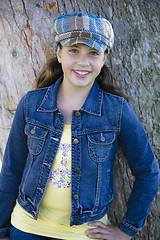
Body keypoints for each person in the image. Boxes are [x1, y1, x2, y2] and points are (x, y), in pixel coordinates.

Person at [0, 11, 159, 240]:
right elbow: (12, 170)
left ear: (104, 59)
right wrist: (3, 229)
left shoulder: (117, 111)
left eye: (93, 53)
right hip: (27, 227)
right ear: (59, 53)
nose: (83, 61)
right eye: (74, 50)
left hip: (84, 233)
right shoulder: (32, 104)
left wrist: (127, 229)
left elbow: (148, 172)